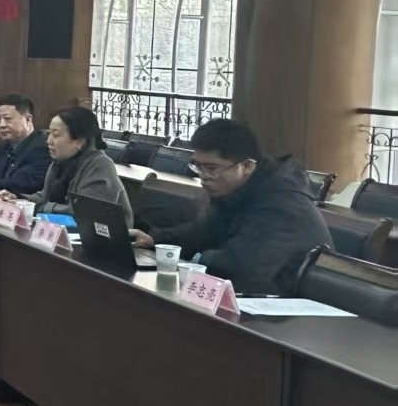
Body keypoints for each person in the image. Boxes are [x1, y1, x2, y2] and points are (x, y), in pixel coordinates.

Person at [135, 118, 331, 295]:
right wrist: (155, 240)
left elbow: (240, 268)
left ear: (247, 166)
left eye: (212, 168)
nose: (203, 176)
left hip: (287, 307)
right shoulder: (239, 192)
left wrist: (197, 260)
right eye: (198, 166)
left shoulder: (283, 206)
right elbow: (200, 234)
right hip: (252, 296)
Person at [0, 104, 130, 218]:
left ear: (79, 141)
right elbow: (44, 196)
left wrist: (40, 207)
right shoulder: (59, 162)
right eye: (48, 134)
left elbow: (83, 212)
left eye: (55, 135)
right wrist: (18, 200)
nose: (48, 141)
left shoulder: (99, 165)